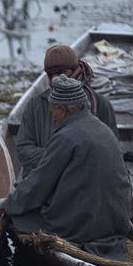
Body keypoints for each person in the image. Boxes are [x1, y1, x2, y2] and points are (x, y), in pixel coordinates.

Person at [0, 76, 132, 260]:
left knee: (19, 217)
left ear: (63, 109)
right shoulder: (103, 129)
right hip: (116, 223)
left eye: (53, 110)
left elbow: (38, 185)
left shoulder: (66, 137)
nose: (52, 116)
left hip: (82, 228)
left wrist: (7, 204)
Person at [15, 44, 119, 178]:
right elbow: (23, 148)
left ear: (77, 70)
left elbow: (113, 150)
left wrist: (76, 162)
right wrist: (59, 159)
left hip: (87, 179)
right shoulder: (36, 105)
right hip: (45, 177)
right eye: (52, 74)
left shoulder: (100, 105)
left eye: (63, 72)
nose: (57, 79)